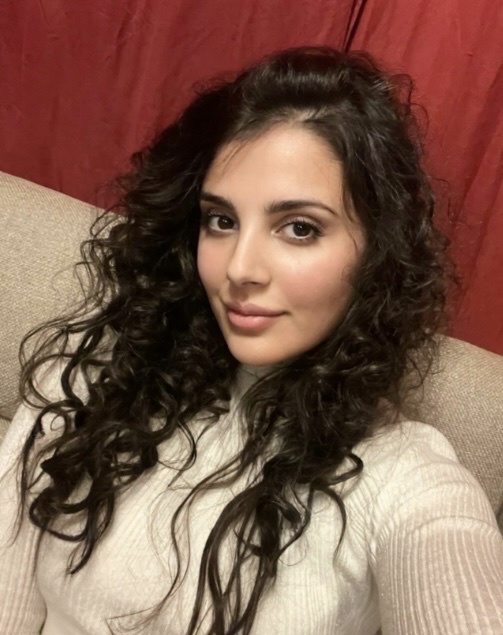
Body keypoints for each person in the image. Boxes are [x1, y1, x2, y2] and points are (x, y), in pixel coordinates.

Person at [0, 46, 502, 635]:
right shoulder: (90, 375)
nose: (239, 268)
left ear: (377, 253)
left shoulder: (404, 479)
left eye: (299, 228)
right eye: (222, 220)